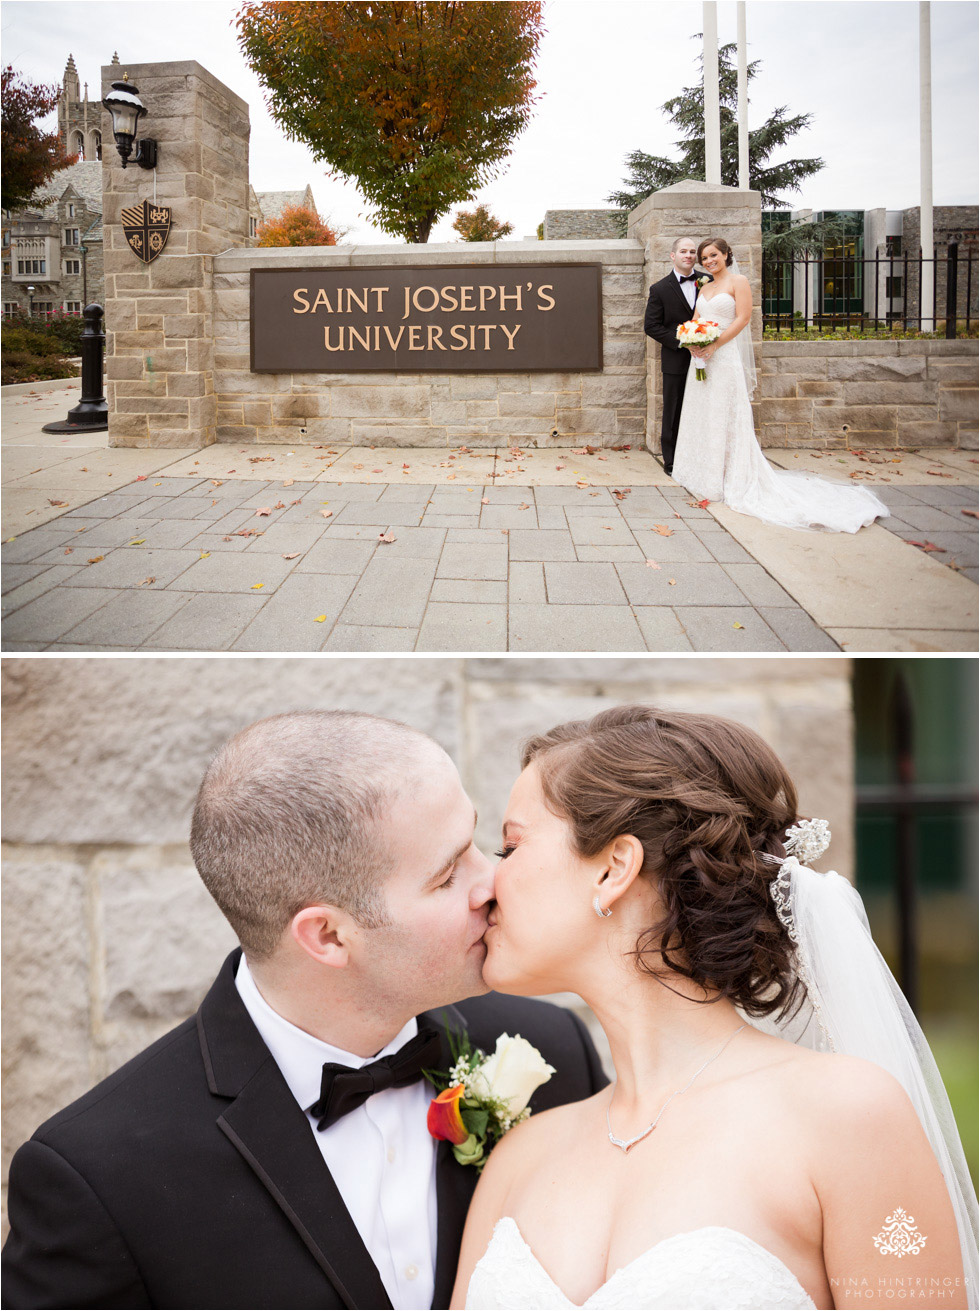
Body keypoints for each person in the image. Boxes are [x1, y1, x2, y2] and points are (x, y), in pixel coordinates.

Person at [2, 710, 607, 1311]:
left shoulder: (552, 1054)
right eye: (448, 875)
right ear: (328, 937)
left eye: (480, 842)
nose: (494, 880)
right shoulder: (100, 1176)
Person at [452, 705, 978, 1311]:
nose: (488, 883)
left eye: (510, 846)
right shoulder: (519, 1159)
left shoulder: (847, 1115)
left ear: (614, 869)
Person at [672, 237, 890, 533]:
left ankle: (731, 478)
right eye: (704, 257)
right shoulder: (705, 286)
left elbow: (743, 318)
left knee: (726, 414)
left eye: (713, 255)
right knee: (704, 414)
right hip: (703, 360)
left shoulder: (739, 282)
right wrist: (693, 341)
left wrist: (715, 345)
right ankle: (703, 474)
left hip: (724, 358)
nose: (708, 261)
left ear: (725, 254)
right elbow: (697, 318)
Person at [642, 235, 711, 477]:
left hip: (710, 357)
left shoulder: (709, 281)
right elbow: (651, 326)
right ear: (673, 255)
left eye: (693, 252)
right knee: (673, 410)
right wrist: (684, 341)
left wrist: (707, 342)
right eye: (684, 251)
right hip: (676, 359)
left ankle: (704, 457)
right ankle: (672, 462)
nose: (689, 255)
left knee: (706, 407)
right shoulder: (660, 289)